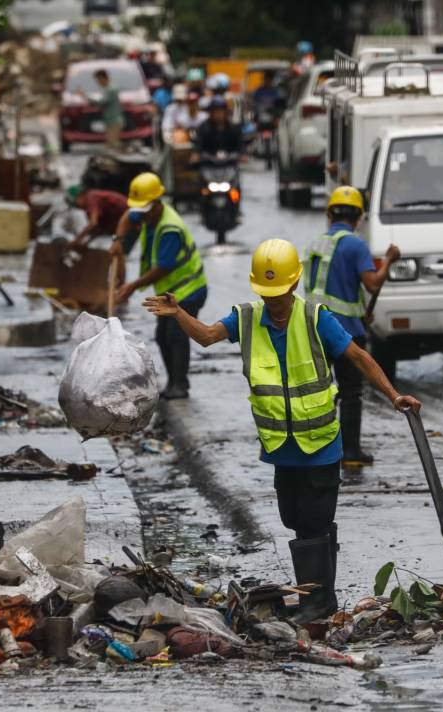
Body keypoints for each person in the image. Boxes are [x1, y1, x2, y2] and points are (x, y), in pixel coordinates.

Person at [142, 239, 421, 623]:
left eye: (279, 292)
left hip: (321, 442)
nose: (273, 301)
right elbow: (207, 336)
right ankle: (319, 596)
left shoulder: (315, 318)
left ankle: (318, 602)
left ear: (293, 285)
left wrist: (393, 395)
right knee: (295, 519)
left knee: (315, 520)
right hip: (281, 445)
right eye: (266, 293)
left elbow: (358, 356)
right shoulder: (245, 318)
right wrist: (178, 313)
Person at [305, 186, 401, 466]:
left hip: (314, 328)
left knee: (320, 392)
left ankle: (319, 448)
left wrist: (360, 312)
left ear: (329, 213)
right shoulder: (355, 245)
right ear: (358, 217)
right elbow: (371, 283)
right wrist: (388, 262)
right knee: (350, 392)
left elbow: (328, 287)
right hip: (344, 333)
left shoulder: (316, 244)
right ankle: (350, 452)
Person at [112, 173, 207, 400]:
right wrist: (117, 240)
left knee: (175, 334)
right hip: (170, 292)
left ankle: (180, 385)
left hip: (188, 289)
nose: (140, 214)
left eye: (144, 209)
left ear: (157, 203)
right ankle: (173, 382)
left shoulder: (169, 228)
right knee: (162, 335)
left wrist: (132, 286)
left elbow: (163, 267)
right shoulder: (148, 215)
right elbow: (127, 215)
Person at [194, 96, 242, 160]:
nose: (218, 115)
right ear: (211, 113)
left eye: (221, 111)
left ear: (225, 112)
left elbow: (240, 146)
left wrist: (242, 155)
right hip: (209, 164)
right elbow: (199, 146)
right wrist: (196, 154)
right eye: (216, 112)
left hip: (230, 163)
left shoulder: (234, 127)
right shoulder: (203, 128)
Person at [93, 69, 124, 149]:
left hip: (114, 121)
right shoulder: (108, 89)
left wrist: (85, 97)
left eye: (98, 80)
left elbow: (101, 102)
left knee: (113, 145)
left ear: (103, 78)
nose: (98, 82)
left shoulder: (111, 89)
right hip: (111, 121)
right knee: (110, 144)